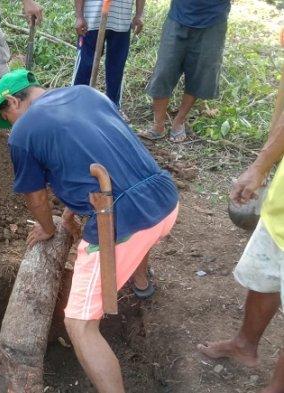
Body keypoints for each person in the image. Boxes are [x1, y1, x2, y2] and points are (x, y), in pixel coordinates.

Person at [0, 69, 180, 393]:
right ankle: (143, 283)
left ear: (12, 101)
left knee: (78, 325)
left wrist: (47, 228)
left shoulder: (22, 132)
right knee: (136, 228)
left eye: (6, 117)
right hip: (164, 201)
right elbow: (103, 154)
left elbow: (35, 197)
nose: (9, 125)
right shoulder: (86, 93)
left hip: (120, 224)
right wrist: (72, 208)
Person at [197, 81, 284, 393]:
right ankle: (245, 345)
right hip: (280, 208)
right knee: (264, 280)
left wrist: (260, 167)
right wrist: (269, 165)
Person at [142, 0, 231, 142]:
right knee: (164, 70)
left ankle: (179, 120)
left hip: (213, 22)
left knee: (200, 73)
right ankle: (158, 125)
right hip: (178, 17)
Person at [73, 0, 145, 110]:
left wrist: (139, 14)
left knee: (116, 69)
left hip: (121, 21)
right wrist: (79, 16)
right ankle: (77, 107)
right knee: (85, 66)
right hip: (91, 20)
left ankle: (112, 109)